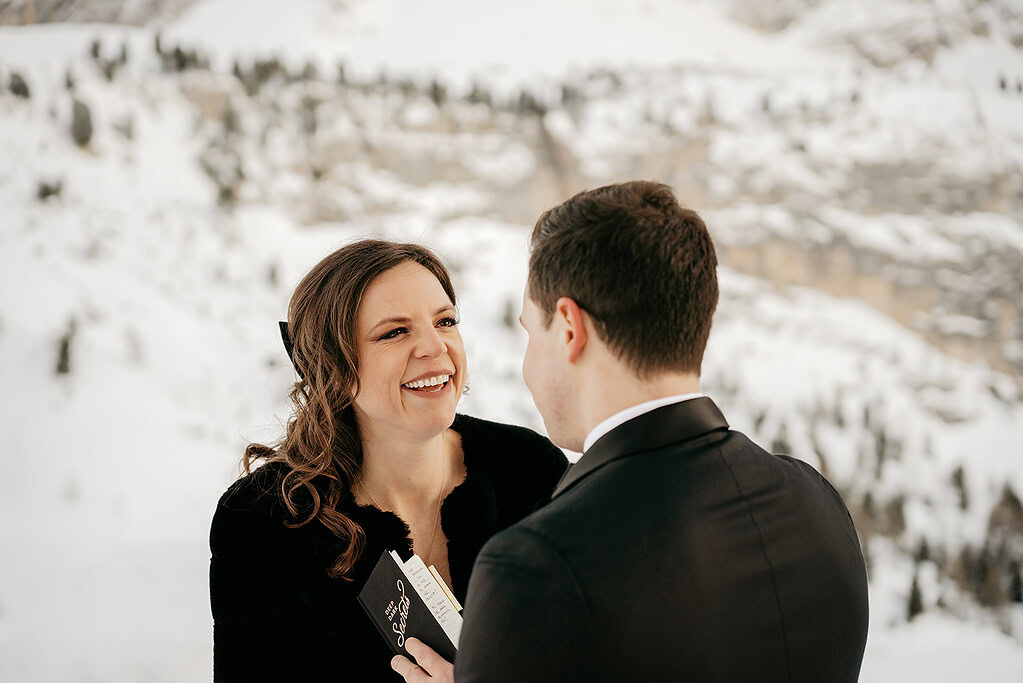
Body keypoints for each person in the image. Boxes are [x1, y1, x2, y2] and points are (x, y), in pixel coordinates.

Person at [392, 181, 869, 682]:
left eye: (531, 333)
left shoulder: (536, 566)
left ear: (571, 329)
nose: (528, 364)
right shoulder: (815, 501)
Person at [208, 240, 568, 682]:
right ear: (332, 367)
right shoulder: (265, 517)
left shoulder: (531, 469)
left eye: (446, 321)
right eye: (394, 332)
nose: (435, 347)